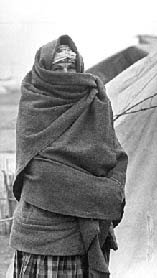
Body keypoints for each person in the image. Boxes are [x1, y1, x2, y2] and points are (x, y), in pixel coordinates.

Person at [9, 34, 128, 278]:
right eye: (57, 68)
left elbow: (115, 155)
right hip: (43, 236)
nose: (65, 74)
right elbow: (41, 175)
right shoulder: (35, 105)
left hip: (90, 233)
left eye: (70, 67)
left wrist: (112, 187)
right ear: (44, 71)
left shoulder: (94, 101)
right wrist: (104, 195)